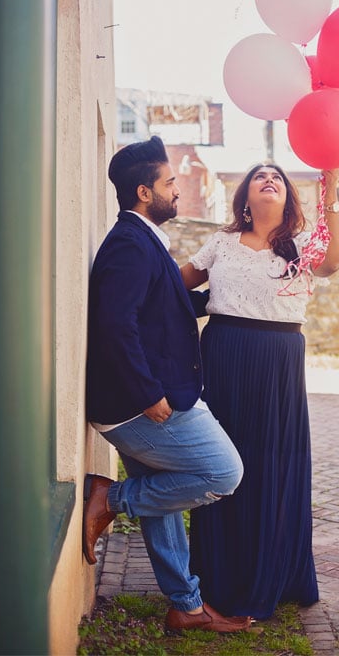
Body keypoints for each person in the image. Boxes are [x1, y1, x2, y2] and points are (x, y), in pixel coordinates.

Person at [84, 136, 251, 633]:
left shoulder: (144, 242)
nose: (177, 191)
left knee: (162, 499)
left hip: (138, 400)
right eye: (169, 183)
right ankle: (109, 499)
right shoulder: (130, 246)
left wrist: (224, 297)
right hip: (139, 406)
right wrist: (148, 393)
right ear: (143, 192)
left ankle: (186, 605)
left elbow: (158, 312)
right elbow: (117, 324)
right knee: (224, 474)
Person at [182, 162, 339, 620]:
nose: (269, 179)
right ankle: (219, 574)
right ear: (245, 198)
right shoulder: (222, 242)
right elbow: (177, 285)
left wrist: (330, 192)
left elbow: (332, 263)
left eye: (277, 176)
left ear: (288, 194)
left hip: (279, 359)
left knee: (272, 460)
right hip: (226, 355)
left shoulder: (300, 244)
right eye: (259, 176)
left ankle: (271, 570)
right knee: (226, 458)